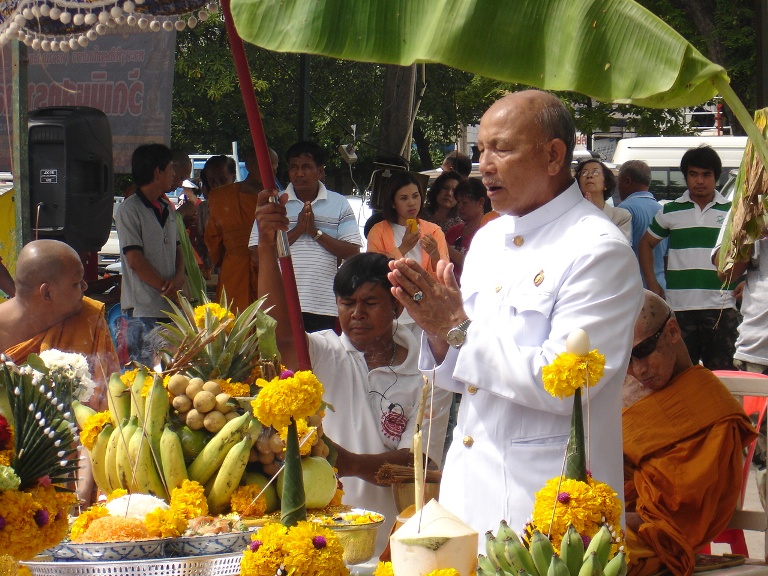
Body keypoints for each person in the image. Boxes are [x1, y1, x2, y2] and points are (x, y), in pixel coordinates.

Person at [387, 90, 643, 545]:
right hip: (470, 494)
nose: (484, 163)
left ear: (552, 155)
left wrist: (457, 328)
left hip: (547, 509)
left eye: (501, 148)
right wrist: (438, 332)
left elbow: (566, 386)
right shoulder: (489, 239)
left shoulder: (597, 248)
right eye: (481, 149)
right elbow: (465, 373)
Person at [255, 193, 451, 553]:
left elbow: (419, 463)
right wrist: (268, 246)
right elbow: (275, 332)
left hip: (397, 543)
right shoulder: (323, 350)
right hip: (323, 541)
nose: (356, 314)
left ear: (396, 305)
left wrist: (347, 462)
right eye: (347, 304)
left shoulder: (430, 369)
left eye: (370, 303)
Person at [622, 291, 755, 576]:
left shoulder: (711, 411)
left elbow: (677, 520)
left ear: (672, 331)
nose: (637, 370)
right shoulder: (624, 386)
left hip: (650, 539)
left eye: (643, 351)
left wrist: (605, 518)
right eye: (627, 360)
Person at [0, 240, 121, 506]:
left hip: (80, 479)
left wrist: (81, 491)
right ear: (46, 293)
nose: (86, 288)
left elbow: (101, 415)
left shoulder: (88, 320)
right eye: (77, 283)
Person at [638, 145, 737, 371]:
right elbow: (646, 243)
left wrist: (742, 283)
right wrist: (653, 283)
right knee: (683, 375)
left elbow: (745, 250)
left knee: (723, 374)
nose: (699, 181)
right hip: (680, 308)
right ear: (686, 177)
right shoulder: (670, 211)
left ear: (716, 177)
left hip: (721, 307)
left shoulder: (731, 211)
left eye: (706, 175)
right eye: (693, 174)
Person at [248, 141, 362, 332]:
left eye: (306, 167)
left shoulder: (339, 203)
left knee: (320, 361)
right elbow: (256, 255)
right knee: (284, 360)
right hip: (281, 301)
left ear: (320, 171)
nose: (299, 173)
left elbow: (353, 251)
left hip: (323, 304)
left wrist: (315, 233)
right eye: (294, 167)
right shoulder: (275, 204)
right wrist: (299, 230)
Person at [116, 144, 186, 367]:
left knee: (172, 373)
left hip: (169, 307)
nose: (174, 174)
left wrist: (179, 276)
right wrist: (167, 288)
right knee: (145, 377)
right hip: (142, 309)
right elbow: (135, 260)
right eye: (170, 169)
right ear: (158, 172)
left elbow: (178, 248)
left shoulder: (168, 206)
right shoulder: (129, 209)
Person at [204, 148, 276, 313]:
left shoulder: (278, 199)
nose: (272, 170)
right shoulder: (221, 196)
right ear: (249, 165)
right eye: (267, 164)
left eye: (275, 166)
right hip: (234, 271)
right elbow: (212, 238)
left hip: (267, 269)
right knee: (234, 324)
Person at [367, 171, 449, 280]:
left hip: (426, 296)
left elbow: (445, 278)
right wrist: (403, 248)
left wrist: (435, 255)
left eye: (415, 196)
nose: (412, 203)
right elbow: (372, 273)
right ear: (392, 203)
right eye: (404, 198)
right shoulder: (378, 231)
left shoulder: (434, 231)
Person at [617, 160, 667, 289]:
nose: (618, 187)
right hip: (661, 286)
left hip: (636, 288)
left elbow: (621, 254)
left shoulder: (625, 209)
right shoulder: (662, 210)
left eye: (619, 182)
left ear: (627, 181)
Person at [575, 158, 632, 243]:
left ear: (606, 184)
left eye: (595, 172)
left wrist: (593, 214)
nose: (589, 176)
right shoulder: (572, 216)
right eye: (584, 173)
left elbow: (619, 247)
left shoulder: (621, 216)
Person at [444, 177, 489, 283]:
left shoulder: (488, 233)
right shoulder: (453, 231)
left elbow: (478, 269)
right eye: (458, 202)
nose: (459, 207)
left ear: (481, 202)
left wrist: (449, 250)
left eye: (464, 202)